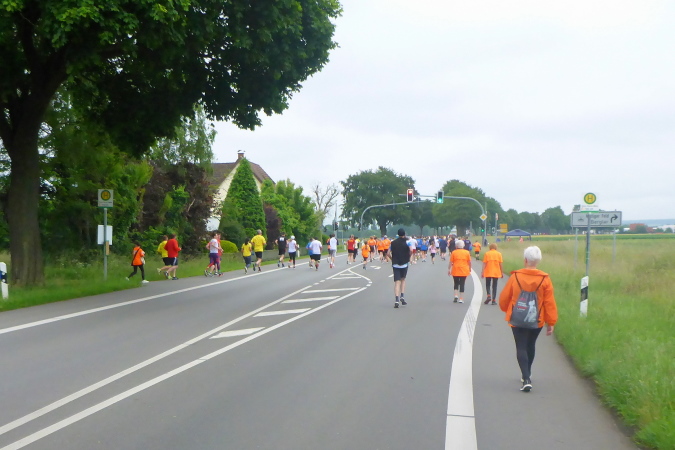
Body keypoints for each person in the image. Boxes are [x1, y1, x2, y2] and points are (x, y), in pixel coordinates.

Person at [499, 246, 558, 392]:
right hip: (537, 318)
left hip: (517, 317)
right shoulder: (545, 279)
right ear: (538, 261)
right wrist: (551, 322)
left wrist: (507, 309)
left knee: (520, 346)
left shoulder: (515, 277)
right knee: (530, 345)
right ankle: (528, 372)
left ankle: (526, 378)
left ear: (525, 260)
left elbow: (504, 298)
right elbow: (549, 302)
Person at [391, 228, 411, 308]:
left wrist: (392, 259)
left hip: (395, 264)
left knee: (397, 282)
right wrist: (408, 257)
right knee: (403, 279)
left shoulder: (393, 243)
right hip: (404, 263)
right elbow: (411, 250)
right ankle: (402, 295)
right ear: (404, 234)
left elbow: (388, 253)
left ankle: (396, 299)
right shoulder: (407, 242)